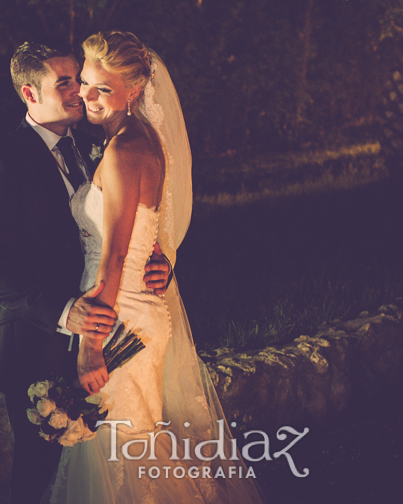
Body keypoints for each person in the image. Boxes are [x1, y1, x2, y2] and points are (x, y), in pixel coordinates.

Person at [42, 31, 266, 504]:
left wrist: (90, 347)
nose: (86, 95)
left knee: (125, 454)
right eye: (85, 82)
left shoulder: (125, 151)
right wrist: (158, 254)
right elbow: (144, 235)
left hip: (117, 319)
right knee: (125, 448)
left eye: (102, 88)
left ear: (134, 91)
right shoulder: (132, 139)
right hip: (132, 311)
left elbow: (116, 259)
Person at [0, 41, 170, 504]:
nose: (79, 91)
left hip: (101, 329)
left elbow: (117, 233)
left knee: (95, 476)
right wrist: (65, 314)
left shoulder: (91, 144)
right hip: (35, 341)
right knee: (40, 478)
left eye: (78, 78)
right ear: (29, 93)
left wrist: (155, 262)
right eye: (65, 83)